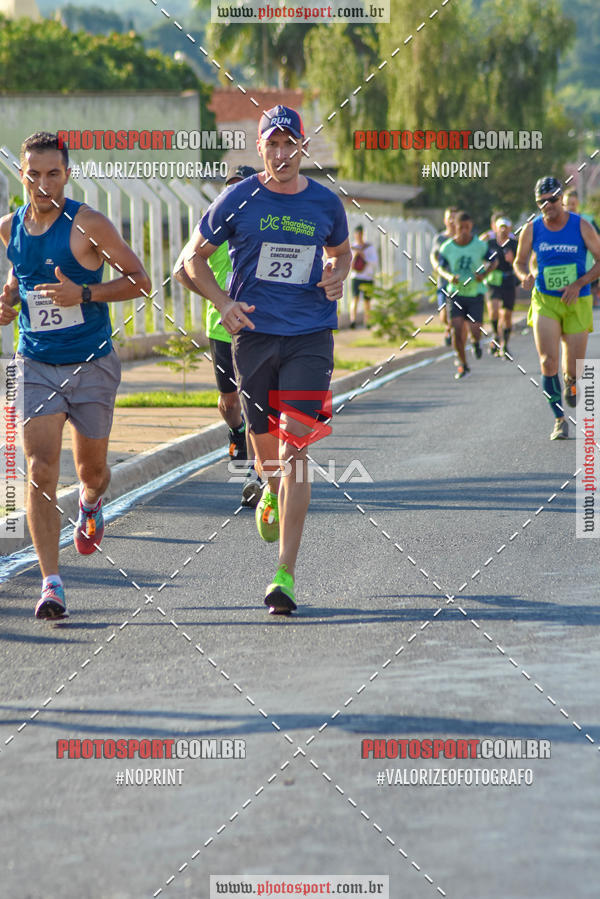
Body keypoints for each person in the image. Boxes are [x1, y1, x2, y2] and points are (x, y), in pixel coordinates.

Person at [178, 104, 351, 614]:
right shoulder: (238, 198)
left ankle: (285, 574)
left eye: (289, 144)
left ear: (303, 147)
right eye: (271, 144)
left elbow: (339, 252)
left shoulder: (325, 203)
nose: (281, 153)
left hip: (310, 335)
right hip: (252, 337)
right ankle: (270, 488)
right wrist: (222, 302)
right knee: (267, 453)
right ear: (260, 148)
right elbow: (192, 259)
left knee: (297, 449)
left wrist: (337, 274)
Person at [0, 131, 151, 619]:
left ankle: (90, 503)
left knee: (92, 473)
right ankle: (51, 583)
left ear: (67, 174)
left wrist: (83, 296)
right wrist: (8, 302)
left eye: (53, 174)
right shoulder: (9, 229)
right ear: (21, 175)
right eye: (34, 174)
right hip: (36, 363)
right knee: (41, 468)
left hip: (91, 363)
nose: (43, 184)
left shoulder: (88, 225)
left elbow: (140, 282)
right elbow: (20, 280)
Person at [174, 164, 262, 508]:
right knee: (229, 402)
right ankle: (236, 431)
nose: (234, 193)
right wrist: (218, 300)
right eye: (230, 188)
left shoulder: (261, 225)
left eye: (242, 186)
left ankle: (255, 474)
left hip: (256, 327)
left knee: (254, 400)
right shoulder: (212, 228)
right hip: (220, 328)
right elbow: (182, 270)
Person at [514, 176, 600, 439]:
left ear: (561, 198)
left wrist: (579, 283)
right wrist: (524, 277)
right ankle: (559, 419)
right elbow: (519, 262)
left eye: (552, 199)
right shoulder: (532, 228)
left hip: (577, 300)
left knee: (573, 369)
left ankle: (571, 382)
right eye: (542, 202)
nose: (548, 205)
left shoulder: (581, 226)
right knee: (547, 361)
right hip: (545, 300)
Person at [437, 211, 497, 379]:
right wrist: (449, 276)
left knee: (475, 329)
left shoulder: (480, 245)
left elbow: (494, 260)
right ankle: (463, 364)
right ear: (454, 227)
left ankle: (476, 342)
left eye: (467, 228)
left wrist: (484, 274)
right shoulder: (447, 247)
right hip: (454, 293)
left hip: (475, 293)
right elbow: (440, 267)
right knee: (456, 329)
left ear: (471, 227)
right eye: (461, 227)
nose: (464, 231)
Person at [485, 216, 518, 356]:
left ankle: (505, 344)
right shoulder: (490, 243)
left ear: (510, 229)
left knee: (507, 315)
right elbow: (480, 255)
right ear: (495, 228)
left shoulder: (514, 244)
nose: (503, 230)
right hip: (493, 280)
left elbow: (521, 261)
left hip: (508, 279)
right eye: (501, 227)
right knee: (493, 310)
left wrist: (513, 261)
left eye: (506, 227)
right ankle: (495, 335)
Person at [563, 188, 600, 308]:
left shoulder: (587, 221)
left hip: (587, 269)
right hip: (564, 271)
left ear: (578, 204)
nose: (570, 207)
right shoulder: (557, 223)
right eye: (567, 204)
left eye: (573, 204)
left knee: (587, 306)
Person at [430, 206, 458, 346]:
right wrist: (436, 265)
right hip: (443, 282)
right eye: (449, 218)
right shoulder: (440, 238)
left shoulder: (462, 238)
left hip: (459, 283)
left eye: (455, 217)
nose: (452, 221)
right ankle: (448, 327)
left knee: (456, 315)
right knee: (443, 316)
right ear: (445, 220)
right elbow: (434, 255)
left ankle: (453, 331)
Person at [349, 225, 378, 328]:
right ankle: (353, 321)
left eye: (360, 234)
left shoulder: (369, 248)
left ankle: (367, 322)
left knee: (367, 301)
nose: (359, 236)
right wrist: (356, 254)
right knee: (355, 298)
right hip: (356, 277)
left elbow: (374, 262)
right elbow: (349, 264)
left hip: (367, 277)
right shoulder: (352, 247)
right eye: (357, 234)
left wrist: (363, 255)